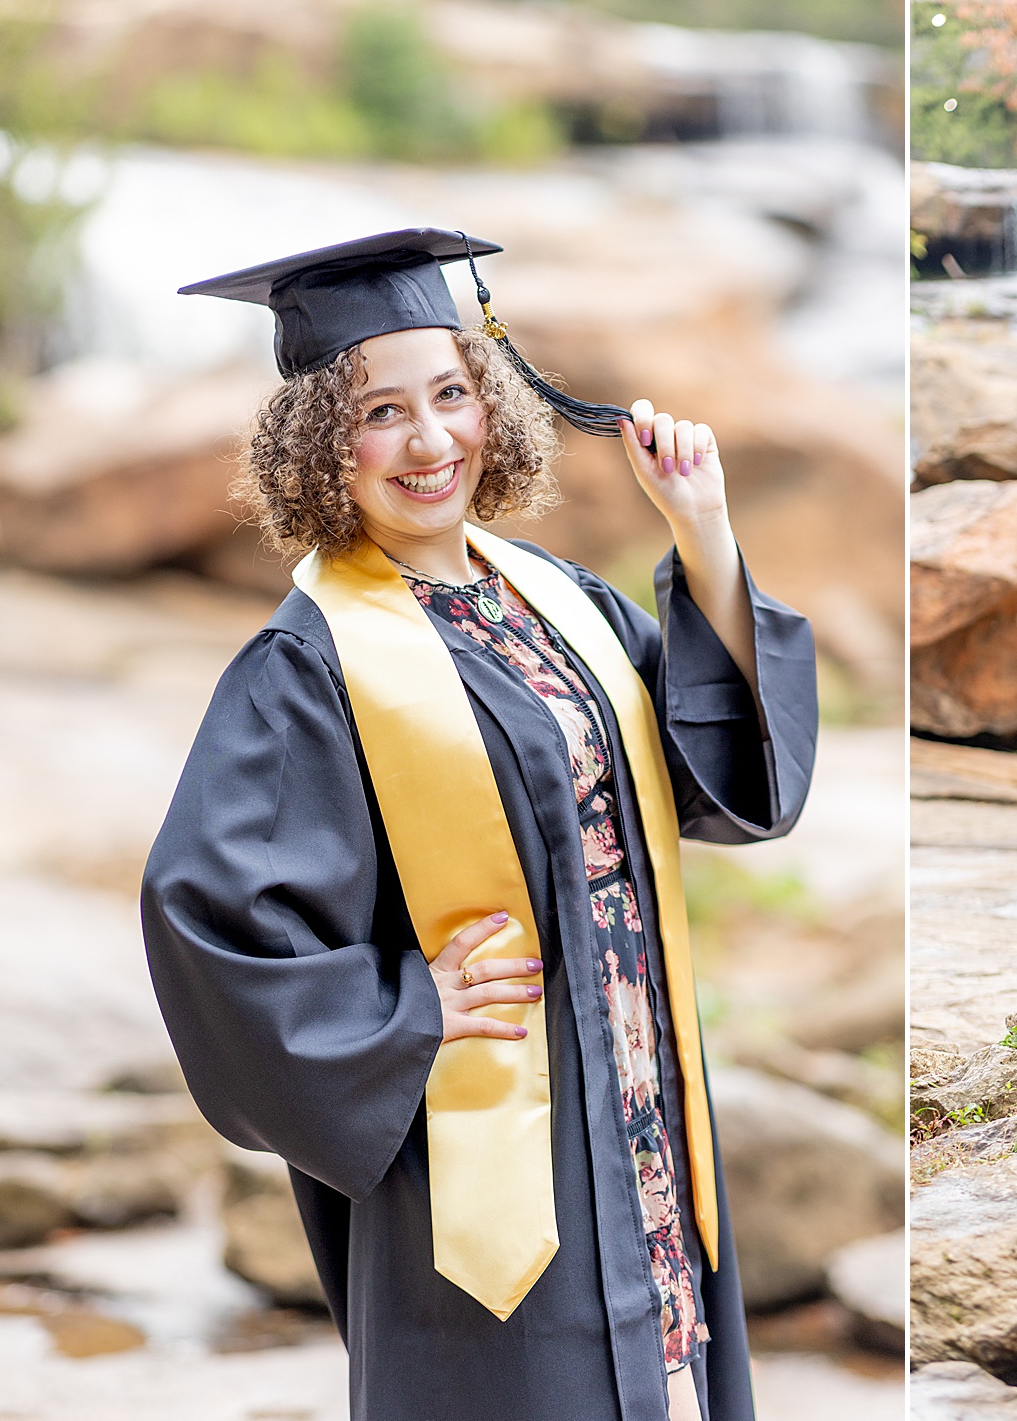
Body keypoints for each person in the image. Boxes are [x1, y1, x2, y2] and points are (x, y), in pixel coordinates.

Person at [141, 229, 816, 1421]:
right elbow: (207, 915)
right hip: (481, 1149)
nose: (430, 439)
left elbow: (715, 785)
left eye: (451, 393)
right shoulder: (307, 665)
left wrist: (700, 529)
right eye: (380, 411)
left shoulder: (555, 600)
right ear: (317, 444)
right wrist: (408, 1007)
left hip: (638, 1091)